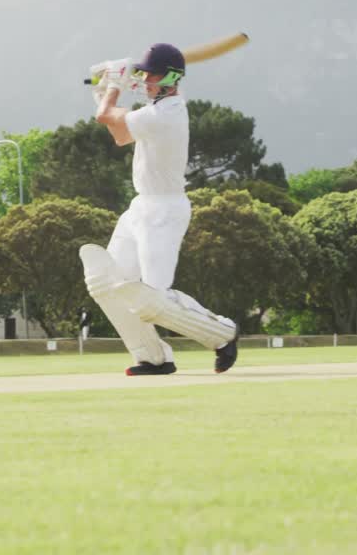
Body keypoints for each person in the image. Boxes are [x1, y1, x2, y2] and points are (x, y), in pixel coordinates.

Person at [79, 43, 239, 375]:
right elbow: (120, 135)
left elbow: (106, 117)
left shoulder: (166, 114)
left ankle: (223, 333)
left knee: (152, 299)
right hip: (140, 207)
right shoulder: (152, 112)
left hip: (165, 211)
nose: (146, 81)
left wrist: (112, 87)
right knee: (106, 284)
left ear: (169, 77)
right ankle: (153, 357)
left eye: (150, 75)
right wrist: (104, 91)